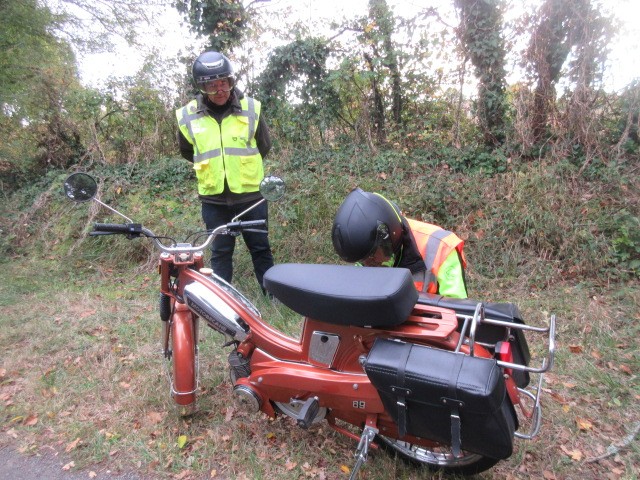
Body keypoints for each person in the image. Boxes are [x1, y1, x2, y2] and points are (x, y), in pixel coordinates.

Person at [176, 51, 274, 291]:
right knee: (220, 253)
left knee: (260, 247)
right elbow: (187, 150)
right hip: (214, 200)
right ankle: (222, 299)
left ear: (231, 81)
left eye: (224, 83)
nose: (219, 90)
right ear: (202, 87)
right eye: (212, 85)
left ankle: (271, 295)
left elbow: (264, 146)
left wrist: (241, 170)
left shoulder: (251, 109)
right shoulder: (188, 115)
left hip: (252, 196)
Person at [331, 188, 468, 298]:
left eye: (372, 256)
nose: (368, 264)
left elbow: (458, 315)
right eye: (362, 260)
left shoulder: (441, 247)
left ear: (389, 238)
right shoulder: (363, 249)